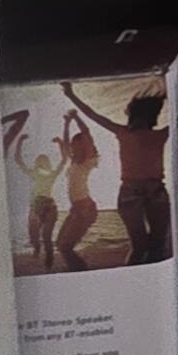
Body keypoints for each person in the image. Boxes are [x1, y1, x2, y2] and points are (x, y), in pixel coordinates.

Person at [66, 79, 175, 267]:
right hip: (145, 191)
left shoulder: (130, 132)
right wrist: (70, 94)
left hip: (142, 191)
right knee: (149, 246)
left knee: (150, 246)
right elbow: (92, 115)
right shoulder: (139, 133)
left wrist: (70, 94)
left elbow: (93, 115)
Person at [3, 108, 59, 273]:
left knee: (47, 238)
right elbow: (18, 160)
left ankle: (49, 261)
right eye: (39, 160)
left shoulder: (51, 174)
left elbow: (63, 161)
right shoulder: (34, 173)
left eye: (43, 160)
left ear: (46, 163)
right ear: (37, 163)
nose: (41, 161)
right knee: (33, 235)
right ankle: (36, 249)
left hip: (47, 204)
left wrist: (61, 145)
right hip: (36, 205)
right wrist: (20, 142)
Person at [54, 102, 104, 268]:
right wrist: (67, 123)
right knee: (61, 244)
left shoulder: (88, 161)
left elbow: (86, 133)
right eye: (74, 144)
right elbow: (67, 141)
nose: (73, 146)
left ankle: (80, 271)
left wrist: (76, 117)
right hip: (77, 208)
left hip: (85, 209)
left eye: (78, 143)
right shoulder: (75, 162)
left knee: (65, 247)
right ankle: (77, 269)